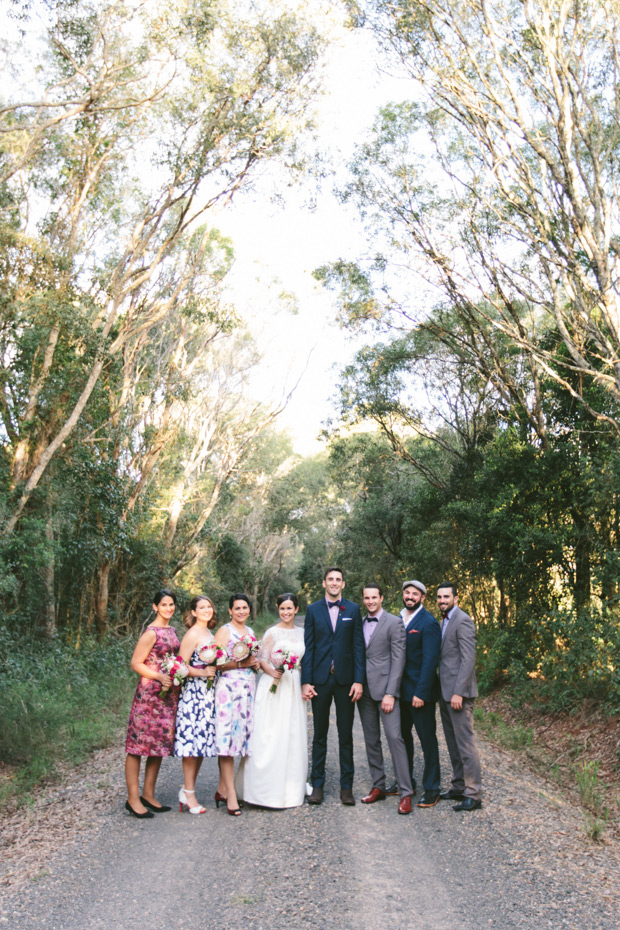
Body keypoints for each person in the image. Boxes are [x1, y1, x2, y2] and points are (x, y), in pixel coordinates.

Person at [235, 593, 307, 808]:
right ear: (278, 610)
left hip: (292, 685)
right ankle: (260, 790)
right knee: (269, 734)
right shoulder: (271, 632)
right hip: (273, 684)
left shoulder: (303, 633)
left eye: (290, 608)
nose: (286, 612)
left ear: (296, 609)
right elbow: (260, 659)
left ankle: (290, 789)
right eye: (282, 608)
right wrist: (271, 670)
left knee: (291, 733)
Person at [301, 566, 365, 806]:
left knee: (346, 734)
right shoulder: (313, 610)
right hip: (320, 680)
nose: (335, 583)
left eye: (338, 579)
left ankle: (346, 787)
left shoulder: (354, 609)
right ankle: (317, 785)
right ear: (324, 583)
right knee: (319, 735)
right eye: (331, 579)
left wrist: (359, 680)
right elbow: (309, 648)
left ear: (343, 584)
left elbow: (358, 647)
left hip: (346, 681)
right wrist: (306, 681)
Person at [357, 583, 414, 814]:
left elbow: (399, 660)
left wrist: (391, 693)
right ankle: (378, 786)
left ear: (381, 597)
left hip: (386, 692)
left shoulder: (394, 622)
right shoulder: (360, 623)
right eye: (367, 598)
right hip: (365, 693)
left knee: (395, 738)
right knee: (371, 740)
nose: (370, 601)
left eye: (374, 597)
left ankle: (406, 793)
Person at [125, 589, 180, 818]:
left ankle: (148, 794)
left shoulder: (173, 631)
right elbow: (136, 663)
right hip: (149, 696)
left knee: (158, 745)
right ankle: (133, 798)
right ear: (155, 607)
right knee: (137, 747)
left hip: (167, 696)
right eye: (164, 604)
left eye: (171, 604)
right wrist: (158, 676)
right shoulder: (151, 633)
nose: (168, 608)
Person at [436, 582, 483, 811]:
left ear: (456, 597)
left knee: (465, 743)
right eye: (439, 597)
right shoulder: (444, 620)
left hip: (458, 693)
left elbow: (468, 659)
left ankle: (473, 794)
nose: (442, 600)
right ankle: (458, 786)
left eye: (446, 596)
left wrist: (459, 692)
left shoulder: (462, 620)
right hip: (444, 692)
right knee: (452, 743)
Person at [213, 593, 260, 816]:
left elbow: (253, 661)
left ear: (249, 610)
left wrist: (256, 664)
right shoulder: (224, 631)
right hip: (228, 691)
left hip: (248, 690)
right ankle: (231, 796)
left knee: (241, 740)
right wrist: (243, 662)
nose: (241, 611)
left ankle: (223, 789)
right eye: (237, 608)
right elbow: (215, 663)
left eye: (244, 607)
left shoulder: (250, 633)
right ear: (230, 611)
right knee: (227, 740)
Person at [399, 579, 442, 808]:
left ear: (423, 598)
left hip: (420, 693)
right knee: (403, 739)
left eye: (415, 594)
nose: (410, 597)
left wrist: (421, 693)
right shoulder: (397, 619)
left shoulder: (428, 623)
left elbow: (430, 661)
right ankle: (407, 783)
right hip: (400, 692)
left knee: (427, 741)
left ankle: (432, 788)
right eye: (407, 593)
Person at [174, 594, 218, 814]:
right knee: (191, 746)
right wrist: (202, 672)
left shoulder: (210, 633)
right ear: (193, 612)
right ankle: (189, 794)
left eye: (209, 606)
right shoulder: (192, 634)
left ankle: (187, 790)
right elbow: (179, 666)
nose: (207, 610)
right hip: (194, 694)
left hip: (209, 695)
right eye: (202, 607)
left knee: (200, 744)